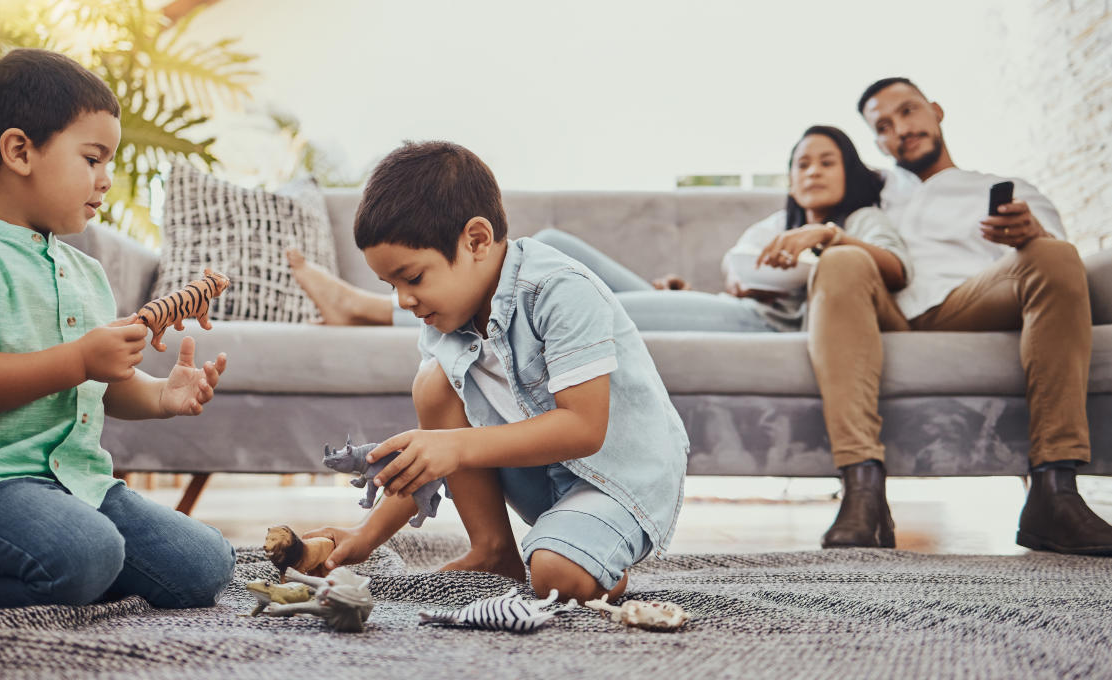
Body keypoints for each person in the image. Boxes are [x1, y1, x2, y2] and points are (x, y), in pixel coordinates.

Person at [0, 49, 236, 608]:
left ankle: (72, 573)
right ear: (19, 151)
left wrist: (160, 396)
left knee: (203, 565)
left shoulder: (86, 272)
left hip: (83, 486)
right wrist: (78, 358)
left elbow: (103, 383)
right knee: (90, 553)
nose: (106, 180)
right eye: (93, 158)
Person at [304, 141, 689, 603]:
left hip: (619, 480)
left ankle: (585, 558)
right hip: (542, 473)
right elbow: (435, 454)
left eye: (414, 278)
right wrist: (364, 537)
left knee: (553, 575)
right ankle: (492, 550)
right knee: (433, 383)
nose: (404, 301)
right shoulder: (449, 320)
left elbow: (585, 429)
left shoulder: (559, 290)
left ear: (477, 241)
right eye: (392, 286)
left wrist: (455, 447)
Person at [808, 76, 1112, 554]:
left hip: (973, 303)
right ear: (876, 142)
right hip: (884, 308)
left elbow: (1058, 276)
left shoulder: (999, 189)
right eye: (884, 126)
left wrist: (1030, 233)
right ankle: (862, 493)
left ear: (936, 110)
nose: (901, 129)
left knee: (1055, 254)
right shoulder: (870, 200)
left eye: (908, 112)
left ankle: (1054, 493)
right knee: (842, 258)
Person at [285, 125, 911, 334]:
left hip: (765, 326)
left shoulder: (860, 222)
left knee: (542, 292)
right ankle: (363, 307)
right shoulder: (774, 224)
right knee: (552, 249)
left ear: (851, 170)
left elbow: (894, 270)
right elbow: (736, 269)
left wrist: (825, 239)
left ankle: (365, 309)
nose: (812, 170)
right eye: (802, 161)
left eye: (827, 161)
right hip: (728, 305)